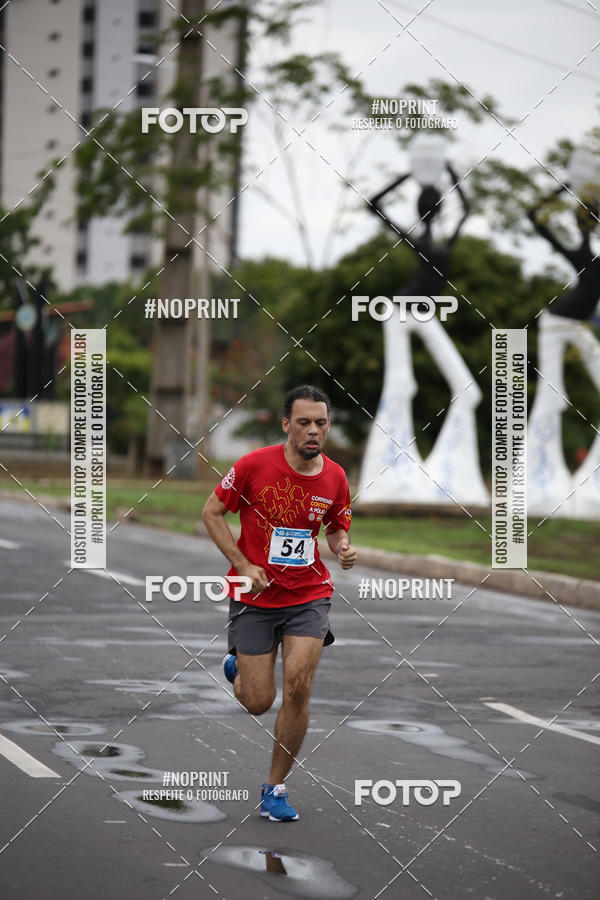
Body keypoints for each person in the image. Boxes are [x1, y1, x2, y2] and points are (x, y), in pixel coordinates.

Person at [201, 385, 357, 822]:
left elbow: (334, 528)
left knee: (300, 685)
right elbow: (211, 513)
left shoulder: (336, 477)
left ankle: (275, 788)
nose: (313, 431)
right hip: (255, 594)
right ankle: (238, 669)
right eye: (304, 422)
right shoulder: (253, 465)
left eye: (321, 423)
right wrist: (241, 563)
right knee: (257, 701)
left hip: (308, 593)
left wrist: (343, 546)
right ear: (286, 424)